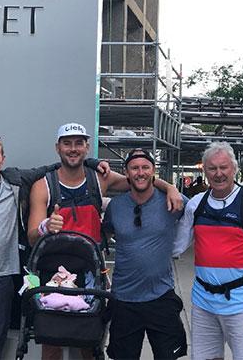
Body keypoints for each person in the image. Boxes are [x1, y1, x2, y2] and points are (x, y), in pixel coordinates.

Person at [0, 134, 107, 360]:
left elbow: (62, 164)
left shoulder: (15, 182)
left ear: (3, 159)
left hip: (2, 282)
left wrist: (92, 162)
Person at [27, 124, 184, 360]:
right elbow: (31, 237)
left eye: (79, 143)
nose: (73, 149)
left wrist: (169, 187)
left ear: (87, 147)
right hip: (54, 274)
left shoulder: (100, 179)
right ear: (57, 147)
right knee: (52, 345)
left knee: (89, 341)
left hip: (90, 273)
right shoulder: (43, 185)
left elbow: (139, 179)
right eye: (67, 143)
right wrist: (45, 227)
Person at [173, 141, 243, 360]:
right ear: (205, 170)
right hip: (203, 303)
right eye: (212, 168)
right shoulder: (196, 204)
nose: (218, 174)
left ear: (234, 169)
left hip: (241, 305)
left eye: (224, 167)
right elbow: (177, 245)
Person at [102, 148, 188, 360]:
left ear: (153, 170)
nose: (140, 172)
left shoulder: (173, 203)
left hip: (161, 296)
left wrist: (170, 187)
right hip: (124, 299)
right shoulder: (116, 206)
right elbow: (105, 232)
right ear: (126, 172)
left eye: (145, 167)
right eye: (134, 168)